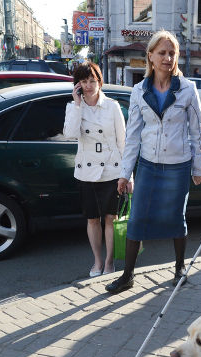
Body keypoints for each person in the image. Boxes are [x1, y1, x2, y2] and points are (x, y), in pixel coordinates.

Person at [106, 30, 201, 294]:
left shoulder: (187, 89)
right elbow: (133, 135)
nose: (167, 58)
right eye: (162, 52)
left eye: (172, 53)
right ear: (150, 56)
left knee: (176, 217)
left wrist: (198, 166)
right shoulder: (139, 91)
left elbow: (197, 131)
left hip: (178, 164)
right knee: (136, 218)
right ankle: (127, 275)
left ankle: (179, 269)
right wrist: (125, 173)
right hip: (148, 164)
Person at [64, 62, 126, 278]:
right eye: (83, 81)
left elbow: (123, 142)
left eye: (92, 81)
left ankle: (109, 262)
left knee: (110, 218)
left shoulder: (112, 106)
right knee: (92, 219)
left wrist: (128, 175)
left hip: (111, 171)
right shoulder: (73, 107)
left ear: (100, 82)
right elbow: (71, 134)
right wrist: (78, 105)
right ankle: (97, 261)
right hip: (86, 172)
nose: (88, 86)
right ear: (77, 85)